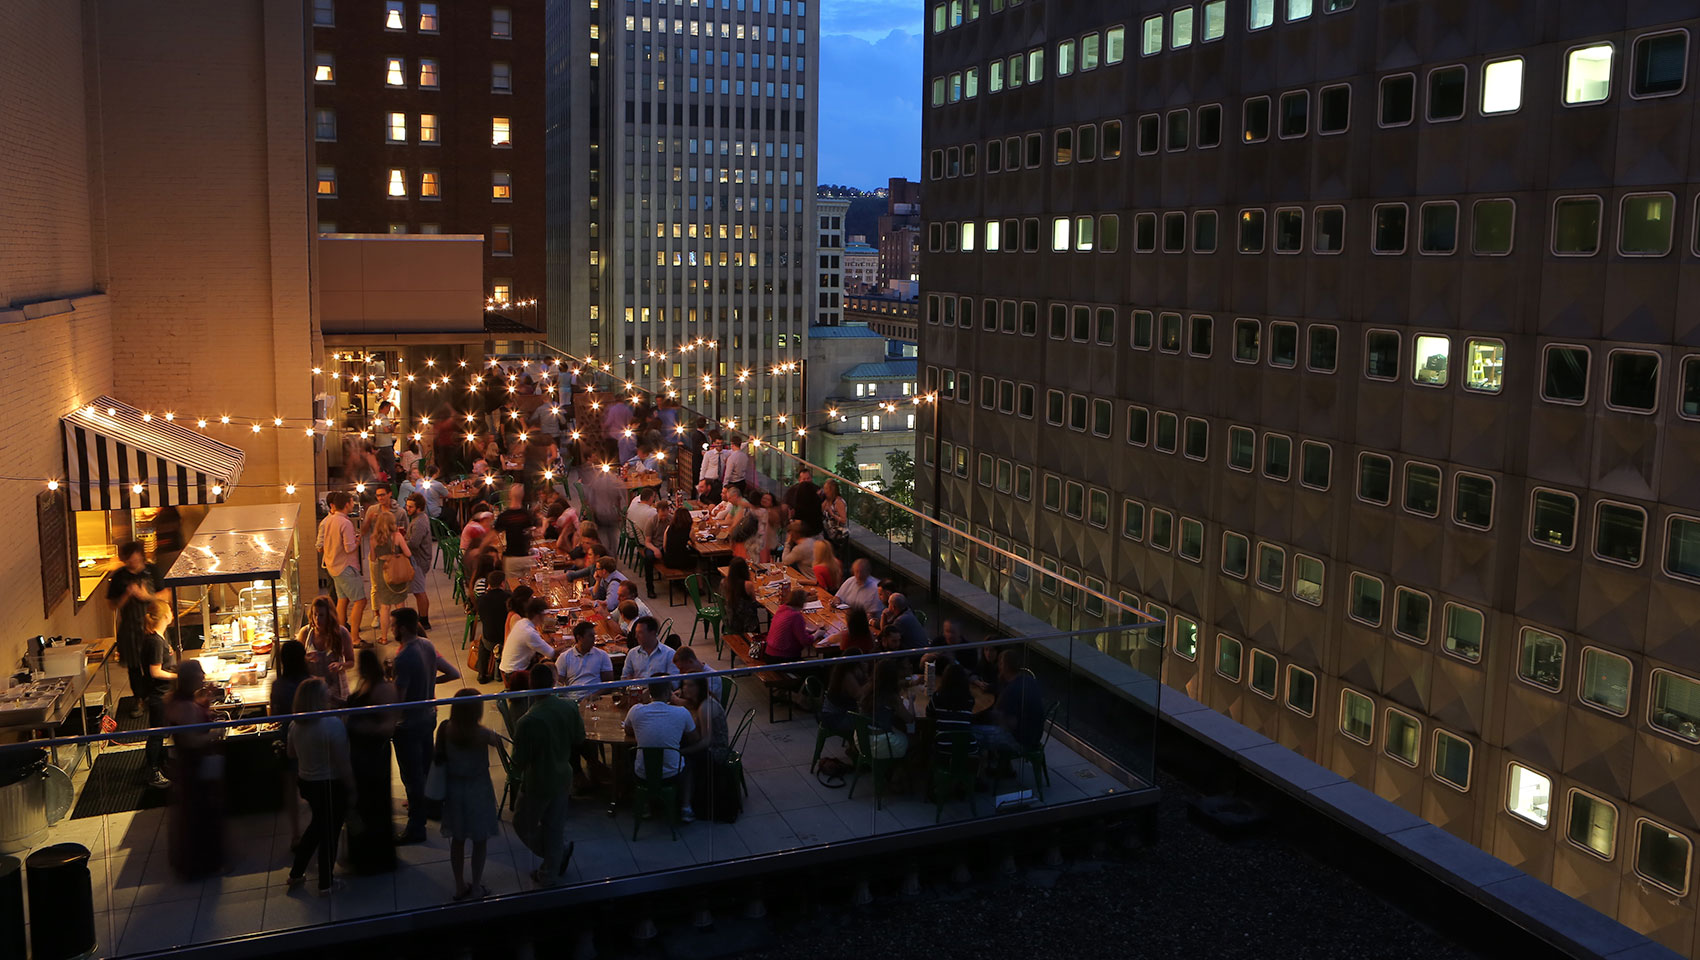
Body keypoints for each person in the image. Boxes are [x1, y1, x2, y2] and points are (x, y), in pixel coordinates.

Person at [512, 662, 585, 887]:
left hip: (538, 782)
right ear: (554, 683)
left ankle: (556, 857)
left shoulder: (527, 721)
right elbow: (579, 738)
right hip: (563, 776)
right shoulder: (569, 707)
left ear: (531, 686)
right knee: (554, 826)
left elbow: (519, 762)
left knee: (522, 825)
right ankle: (550, 870)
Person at [392, 608, 461, 845]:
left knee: (411, 776)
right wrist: (431, 681)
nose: (391, 629)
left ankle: (416, 826)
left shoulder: (403, 657)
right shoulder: (427, 645)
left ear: (401, 627)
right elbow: (453, 673)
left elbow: (398, 700)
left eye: (393, 625)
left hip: (408, 723)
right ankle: (433, 807)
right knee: (425, 766)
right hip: (428, 716)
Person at [286, 678, 355, 896]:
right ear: (318, 699)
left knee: (316, 827)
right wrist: (352, 788)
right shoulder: (331, 724)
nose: (329, 695)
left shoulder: (295, 725)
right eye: (326, 692)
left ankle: (296, 873)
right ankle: (326, 883)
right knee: (330, 833)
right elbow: (343, 762)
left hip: (306, 782)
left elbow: (291, 754)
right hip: (329, 785)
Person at [436, 690, 502, 901]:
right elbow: (501, 744)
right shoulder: (482, 734)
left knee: (458, 839)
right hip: (478, 789)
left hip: (455, 790)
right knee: (479, 840)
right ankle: (475, 886)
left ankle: (458, 885)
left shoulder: (445, 729)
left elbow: (438, 758)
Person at [166, 659, 223, 878]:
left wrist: (205, 704)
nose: (203, 675)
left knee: (193, 816)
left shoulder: (176, 701)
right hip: (195, 765)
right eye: (200, 673)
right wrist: (216, 733)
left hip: (186, 767)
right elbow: (192, 740)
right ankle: (202, 863)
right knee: (201, 817)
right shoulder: (186, 707)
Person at [343, 648, 397, 874]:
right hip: (360, 755)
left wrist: (358, 725)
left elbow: (388, 726)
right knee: (363, 804)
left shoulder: (383, 690)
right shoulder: (366, 684)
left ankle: (375, 859)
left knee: (373, 805)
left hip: (373, 756)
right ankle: (363, 856)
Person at [623, 680, 699, 820]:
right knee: (688, 763)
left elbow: (628, 731)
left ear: (649, 692)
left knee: (631, 756)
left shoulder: (635, 710)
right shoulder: (682, 713)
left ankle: (644, 804)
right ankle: (686, 807)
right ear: (668, 693)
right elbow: (694, 738)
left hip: (642, 775)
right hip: (672, 775)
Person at [107, 541, 161, 719]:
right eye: (130, 560)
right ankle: (139, 700)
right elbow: (111, 605)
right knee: (134, 667)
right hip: (129, 628)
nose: (134, 563)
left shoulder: (152, 571)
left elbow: (166, 594)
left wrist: (146, 596)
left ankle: (155, 699)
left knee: (154, 664)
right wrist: (127, 595)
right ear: (125, 560)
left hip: (152, 625)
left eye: (137, 559)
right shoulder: (119, 577)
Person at [270, 639, 312, 849]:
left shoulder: (278, 685)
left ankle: (296, 834)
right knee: (313, 783)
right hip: (310, 738)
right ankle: (317, 827)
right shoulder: (311, 682)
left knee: (290, 787)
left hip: (288, 738)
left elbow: (274, 715)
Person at [971, 651, 1046, 760]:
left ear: (1004, 666)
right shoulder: (1028, 680)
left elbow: (1006, 722)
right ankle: (996, 766)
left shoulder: (1011, 690)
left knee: (969, 733)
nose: (998, 667)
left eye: (1000, 664)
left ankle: (976, 769)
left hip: (1020, 742)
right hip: (1034, 737)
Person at [137, 599, 179, 790]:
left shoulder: (162, 636)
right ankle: (153, 772)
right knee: (156, 733)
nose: (172, 612)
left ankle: (163, 764)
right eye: (170, 609)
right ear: (164, 615)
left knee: (162, 732)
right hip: (158, 696)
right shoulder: (154, 641)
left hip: (165, 694)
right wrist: (178, 676)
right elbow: (155, 671)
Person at [675, 675, 729, 822]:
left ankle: (686, 806)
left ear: (699, 688)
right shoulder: (701, 701)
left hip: (716, 751)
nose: (685, 688)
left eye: (690, 685)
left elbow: (706, 741)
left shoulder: (705, 707)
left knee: (685, 760)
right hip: (711, 745)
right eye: (684, 685)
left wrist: (682, 752)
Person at [318, 492, 367, 644]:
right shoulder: (345, 523)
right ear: (347, 504)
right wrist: (357, 540)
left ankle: (341, 635)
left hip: (333, 566)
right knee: (360, 601)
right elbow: (349, 548)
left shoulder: (329, 520)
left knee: (342, 600)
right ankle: (355, 638)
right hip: (346, 567)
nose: (353, 505)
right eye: (352, 502)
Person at [367, 507, 412, 645]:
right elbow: (408, 553)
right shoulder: (397, 537)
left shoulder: (373, 539)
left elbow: (373, 558)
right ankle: (403, 637)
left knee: (385, 607)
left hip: (382, 573)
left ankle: (384, 637)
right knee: (400, 606)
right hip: (397, 572)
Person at [859, 658, 915, 763]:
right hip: (880, 743)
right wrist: (911, 700)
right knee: (913, 738)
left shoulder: (868, 690)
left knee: (899, 727)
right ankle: (903, 769)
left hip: (863, 739)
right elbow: (909, 719)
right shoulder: (891, 697)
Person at [297, 596, 353, 699]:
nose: (317, 619)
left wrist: (340, 665)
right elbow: (296, 662)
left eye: (322, 615)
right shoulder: (305, 633)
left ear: (329, 615)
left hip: (337, 691)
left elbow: (351, 662)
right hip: (312, 691)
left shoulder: (342, 633)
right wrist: (305, 659)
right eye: (315, 614)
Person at [502, 596, 563, 684]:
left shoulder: (522, 623)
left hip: (509, 668)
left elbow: (534, 643)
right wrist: (569, 644)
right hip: (515, 674)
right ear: (538, 615)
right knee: (549, 670)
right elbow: (551, 653)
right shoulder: (529, 632)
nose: (546, 617)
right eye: (544, 614)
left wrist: (551, 640)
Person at [494, 483, 538, 581]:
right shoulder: (527, 515)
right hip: (527, 558)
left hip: (511, 558)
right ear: (522, 496)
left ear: (509, 495)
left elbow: (493, 534)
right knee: (529, 587)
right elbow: (537, 531)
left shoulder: (504, 516)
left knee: (512, 586)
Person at [474, 570, 512, 684]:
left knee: (482, 640)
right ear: (502, 583)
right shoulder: (509, 598)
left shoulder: (481, 600)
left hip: (489, 641)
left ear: (488, 585)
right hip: (506, 640)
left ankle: (482, 672)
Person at [404, 493, 436, 630]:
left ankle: (424, 620)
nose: (407, 509)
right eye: (407, 506)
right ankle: (422, 617)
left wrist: (400, 541)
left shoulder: (419, 522)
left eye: (411, 507)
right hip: (420, 559)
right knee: (418, 591)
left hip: (419, 561)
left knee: (419, 591)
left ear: (419, 508)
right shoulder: (419, 518)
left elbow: (413, 544)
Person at [556, 620, 615, 688]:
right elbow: (558, 683)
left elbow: (608, 684)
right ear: (579, 638)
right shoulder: (564, 657)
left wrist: (595, 695)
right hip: (573, 696)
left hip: (596, 696)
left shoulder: (602, 655)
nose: (594, 639)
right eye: (590, 636)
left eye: (594, 636)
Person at [627, 490, 661, 598]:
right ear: (651, 498)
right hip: (643, 541)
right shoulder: (651, 512)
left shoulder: (634, 503)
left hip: (633, 535)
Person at [820, 659, 868, 737]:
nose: (864, 663)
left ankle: (855, 746)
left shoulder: (841, 673)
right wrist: (867, 676)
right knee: (865, 723)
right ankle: (859, 746)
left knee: (865, 718)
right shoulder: (847, 676)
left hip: (835, 714)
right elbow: (859, 695)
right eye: (862, 661)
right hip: (834, 718)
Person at [764, 588, 813, 662]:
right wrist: (818, 633)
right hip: (782, 657)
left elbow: (790, 629)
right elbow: (806, 641)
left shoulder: (782, 608)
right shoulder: (796, 616)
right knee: (819, 670)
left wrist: (807, 630)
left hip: (769, 653)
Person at [720, 558, 761, 636]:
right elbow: (754, 601)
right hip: (747, 623)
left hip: (730, 620)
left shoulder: (724, 582)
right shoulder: (748, 585)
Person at [784, 468, 823, 536]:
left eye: (808, 478)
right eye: (804, 479)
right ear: (799, 480)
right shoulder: (792, 491)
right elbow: (787, 505)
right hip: (798, 527)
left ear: (811, 478)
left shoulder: (818, 490)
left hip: (814, 526)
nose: (806, 481)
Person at [662, 505, 695, 570]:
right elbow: (694, 541)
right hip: (682, 561)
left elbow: (664, 546)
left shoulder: (669, 527)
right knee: (698, 562)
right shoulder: (689, 529)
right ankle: (699, 579)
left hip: (668, 561)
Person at [820, 479, 849, 549]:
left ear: (831, 490)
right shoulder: (827, 501)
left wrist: (832, 514)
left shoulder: (838, 502)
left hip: (839, 536)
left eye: (826, 488)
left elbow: (843, 520)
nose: (824, 491)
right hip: (828, 534)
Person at [698, 437, 724, 503]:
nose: (719, 445)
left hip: (719, 481)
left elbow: (736, 449)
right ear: (714, 444)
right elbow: (703, 468)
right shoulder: (709, 454)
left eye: (721, 443)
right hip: (709, 479)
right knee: (706, 499)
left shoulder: (726, 453)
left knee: (717, 499)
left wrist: (747, 442)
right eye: (718, 443)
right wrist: (701, 480)